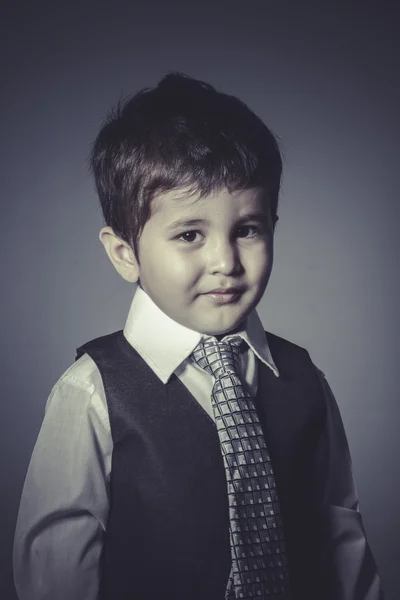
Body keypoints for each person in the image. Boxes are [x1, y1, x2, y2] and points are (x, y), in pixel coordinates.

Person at [13, 72, 384, 600]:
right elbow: (56, 571)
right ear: (124, 254)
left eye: (248, 230)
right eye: (190, 234)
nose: (225, 262)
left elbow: (339, 535)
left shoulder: (304, 379)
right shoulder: (91, 392)